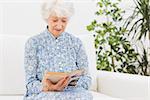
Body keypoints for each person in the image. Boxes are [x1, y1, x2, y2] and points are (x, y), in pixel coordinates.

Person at [24, 0, 93, 99]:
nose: (59, 25)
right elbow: (30, 83)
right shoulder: (33, 43)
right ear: (47, 19)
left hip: (74, 93)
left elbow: (87, 79)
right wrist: (48, 87)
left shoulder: (76, 43)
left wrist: (68, 84)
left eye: (64, 21)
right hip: (45, 93)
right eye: (55, 20)